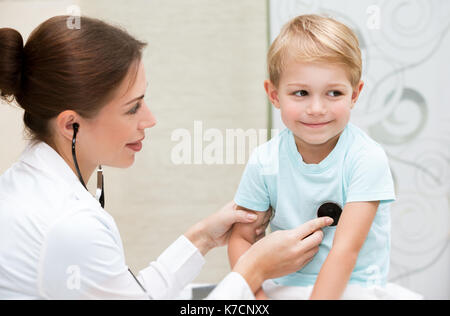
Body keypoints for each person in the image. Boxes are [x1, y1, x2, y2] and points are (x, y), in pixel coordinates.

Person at [0, 15, 333, 299]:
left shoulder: (28, 183)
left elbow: (130, 294)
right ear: (72, 125)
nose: (150, 119)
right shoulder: (68, 225)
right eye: (133, 108)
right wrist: (254, 270)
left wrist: (202, 237)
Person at [228, 14, 422, 300]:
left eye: (334, 92)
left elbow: (345, 252)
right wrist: (257, 298)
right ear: (274, 94)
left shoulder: (366, 158)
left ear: (354, 94)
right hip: (283, 287)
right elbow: (242, 238)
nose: (317, 108)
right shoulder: (264, 161)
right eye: (301, 93)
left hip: (353, 287)